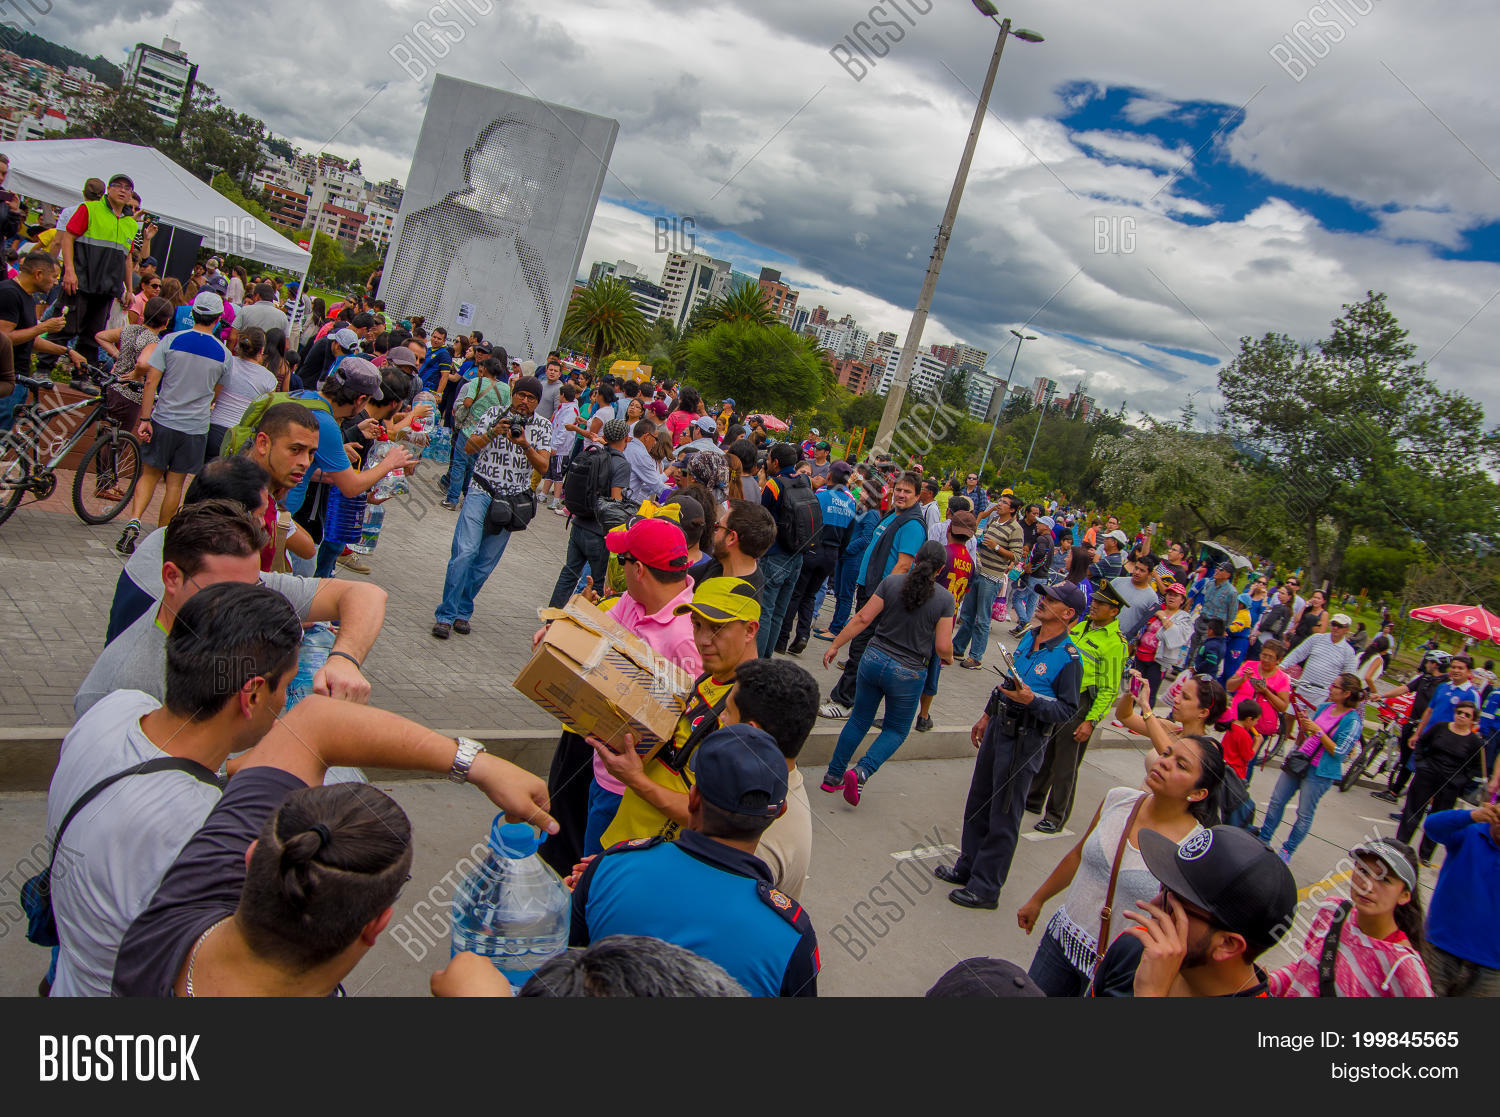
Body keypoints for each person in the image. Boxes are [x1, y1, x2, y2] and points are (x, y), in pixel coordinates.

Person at [108, 660, 553, 997]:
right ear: (376, 926)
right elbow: (317, 721)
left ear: (248, 859)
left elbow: (314, 722)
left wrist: (478, 765)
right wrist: (477, 764)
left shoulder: (173, 918)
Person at [568, 725, 819, 997]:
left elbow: (564, 966)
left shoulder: (608, 868)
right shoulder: (792, 937)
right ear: (780, 812)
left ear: (693, 798)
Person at [78, 497, 383, 717]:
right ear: (171, 577)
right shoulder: (125, 688)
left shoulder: (230, 578)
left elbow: (366, 595)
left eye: (253, 589)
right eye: (224, 593)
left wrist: (345, 659)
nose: (244, 607)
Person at [1017, 734, 1222, 995]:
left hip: (1120, 971)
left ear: (1198, 793)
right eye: (1167, 753)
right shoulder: (1119, 799)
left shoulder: (1195, 847)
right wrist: (1038, 899)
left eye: (1181, 765)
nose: (1165, 762)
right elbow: (1078, 855)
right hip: (1061, 942)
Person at [936, 583, 1084, 909]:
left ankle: (987, 887)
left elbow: (1067, 710)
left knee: (1004, 812)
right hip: (999, 727)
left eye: (1051, 600)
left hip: (1026, 738)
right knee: (978, 800)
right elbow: (1008, 680)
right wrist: (986, 715)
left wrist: (1032, 701)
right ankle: (968, 868)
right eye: (1044, 596)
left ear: (1068, 613)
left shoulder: (1069, 658)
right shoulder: (1031, 636)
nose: (1042, 601)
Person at [586, 578, 762, 851]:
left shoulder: (745, 710)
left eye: (717, 629)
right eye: (697, 625)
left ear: (750, 630)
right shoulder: (707, 678)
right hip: (623, 841)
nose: (703, 640)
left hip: (652, 860)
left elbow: (712, 816)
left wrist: (635, 779)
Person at [1089, 825, 1298, 997]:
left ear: (1227, 944)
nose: (1154, 904)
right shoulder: (1135, 948)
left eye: (1176, 904)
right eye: (1164, 887)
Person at [819, 541, 955, 802]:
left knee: (858, 718)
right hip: (909, 672)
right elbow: (942, 645)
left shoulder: (892, 583)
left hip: (872, 658)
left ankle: (832, 776)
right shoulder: (944, 599)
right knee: (895, 730)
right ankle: (861, 771)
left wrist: (836, 645)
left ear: (915, 559)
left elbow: (862, 618)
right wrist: (947, 657)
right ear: (940, 570)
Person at [433, 375, 551, 638]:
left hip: (511, 501)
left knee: (484, 562)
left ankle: (463, 610)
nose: (524, 401)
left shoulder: (543, 426)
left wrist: (525, 445)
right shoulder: (494, 413)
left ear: (537, 403)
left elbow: (543, 467)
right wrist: (493, 432)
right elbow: (468, 446)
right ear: (513, 393)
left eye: (531, 398)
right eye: (521, 395)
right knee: (465, 552)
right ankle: (445, 614)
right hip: (480, 490)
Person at [1265, 838, 1432, 997]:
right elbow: (1305, 969)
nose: (1367, 885)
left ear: (1404, 895)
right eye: (1363, 871)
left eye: (1385, 880)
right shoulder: (1332, 911)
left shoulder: (1403, 966)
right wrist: (1267, 982)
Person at [821, 472, 926, 719]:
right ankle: (848, 696)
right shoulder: (894, 515)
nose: (901, 494)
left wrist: (880, 598)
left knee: (861, 646)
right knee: (861, 646)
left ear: (918, 496)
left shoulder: (912, 525)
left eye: (907, 491)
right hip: (870, 588)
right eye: (898, 489)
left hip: (881, 596)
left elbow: (902, 566)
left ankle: (844, 702)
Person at [1025, 581, 1126, 833]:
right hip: (1062, 694)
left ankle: (1056, 815)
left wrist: (1091, 721)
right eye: (1095, 600)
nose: (1095, 605)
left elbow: (1110, 687)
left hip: (1082, 703)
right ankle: (1034, 798)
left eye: (1102, 604)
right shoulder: (1081, 626)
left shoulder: (1116, 642)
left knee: (1066, 764)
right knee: (1047, 751)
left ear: (1114, 611)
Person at [1257, 673, 1364, 862]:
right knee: (1277, 800)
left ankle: (1287, 850)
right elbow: (1311, 733)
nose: (1330, 687)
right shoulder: (1325, 707)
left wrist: (1317, 731)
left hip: (1320, 772)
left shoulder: (1353, 721)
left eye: (1335, 686)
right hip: (1300, 761)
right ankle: (1264, 838)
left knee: (1304, 813)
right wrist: (1306, 725)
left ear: (1347, 693)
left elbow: (1340, 753)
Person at [54, 172, 136, 367]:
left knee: (93, 334)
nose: (122, 190)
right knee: (65, 327)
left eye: (127, 188)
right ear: (108, 189)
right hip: (80, 282)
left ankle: (82, 374)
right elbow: (68, 237)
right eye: (117, 185)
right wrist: (69, 271)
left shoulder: (130, 223)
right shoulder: (89, 209)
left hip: (107, 289)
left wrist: (129, 289)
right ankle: (44, 366)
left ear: (131, 195)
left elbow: (127, 257)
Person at [546, 418, 630, 609]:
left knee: (568, 574)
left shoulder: (594, 454)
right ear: (626, 438)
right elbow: (615, 502)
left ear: (605, 436)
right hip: (599, 533)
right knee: (598, 583)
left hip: (578, 523)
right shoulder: (621, 464)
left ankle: (551, 619)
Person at [1420, 803, 1500, 996]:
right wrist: (1470, 816)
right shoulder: (1470, 832)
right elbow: (1432, 826)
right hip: (1440, 948)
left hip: (1492, 967)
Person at [1395, 697, 1485, 864]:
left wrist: (1461, 780)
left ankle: (1426, 854)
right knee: (1413, 809)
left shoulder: (1474, 742)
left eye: (1467, 715)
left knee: (1439, 817)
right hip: (1427, 774)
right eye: (1459, 712)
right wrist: (1421, 764)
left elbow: (1475, 768)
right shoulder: (1440, 728)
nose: (1462, 717)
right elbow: (1422, 743)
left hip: (1450, 783)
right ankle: (1400, 843)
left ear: (1473, 720)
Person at [782, 460, 857, 655]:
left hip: (813, 548)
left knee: (796, 594)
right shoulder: (851, 501)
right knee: (809, 595)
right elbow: (848, 535)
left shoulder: (821, 495)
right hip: (832, 555)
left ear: (829, 476)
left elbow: (807, 521)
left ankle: (782, 638)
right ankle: (803, 635)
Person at [757, 443, 817, 657]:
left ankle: (756, 662)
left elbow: (761, 514)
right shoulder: (805, 481)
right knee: (779, 614)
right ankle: (766, 660)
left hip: (774, 555)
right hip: (797, 555)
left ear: (775, 462)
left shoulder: (774, 484)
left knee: (764, 612)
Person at [954, 493, 1022, 670]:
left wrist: (997, 547)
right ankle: (958, 648)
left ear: (1013, 509)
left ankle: (976, 656)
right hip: (978, 571)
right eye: (1000, 501)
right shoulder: (993, 521)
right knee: (967, 614)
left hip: (992, 577)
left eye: (1004, 503)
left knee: (982, 619)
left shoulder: (1016, 529)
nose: (999, 504)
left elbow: (1016, 555)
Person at [1374, 652, 1451, 804]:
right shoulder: (1425, 678)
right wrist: (1383, 695)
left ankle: (1395, 792)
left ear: (1435, 664)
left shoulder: (1445, 685)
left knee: (1413, 761)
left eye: (1428, 661)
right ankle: (1395, 789)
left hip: (1428, 728)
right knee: (1405, 758)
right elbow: (1405, 688)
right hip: (1412, 722)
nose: (1426, 664)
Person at [0, 248, 83, 380]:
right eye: (54, 277)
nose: (56, 282)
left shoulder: (27, 296)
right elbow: (4, 339)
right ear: (38, 274)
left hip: (20, 377)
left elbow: (30, 341)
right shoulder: (9, 293)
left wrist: (67, 351)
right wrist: (43, 327)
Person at [205, 326, 277, 459]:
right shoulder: (269, 378)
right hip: (240, 436)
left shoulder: (228, 363)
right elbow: (266, 412)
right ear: (261, 350)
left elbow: (212, 395)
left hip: (215, 428)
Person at [687, 498, 774, 599]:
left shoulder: (738, 597)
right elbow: (688, 576)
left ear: (731, 538)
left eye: (718, 526)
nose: (714, 532)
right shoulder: (724, 562)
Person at [1127, 580, 1192, 707]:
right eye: (1169, 594)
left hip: (1158, 660)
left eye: (1175, 595)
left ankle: (1144, 720)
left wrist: (1163, 617)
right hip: (1140, 655)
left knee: (1149, 691)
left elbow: (1178, 636)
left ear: (1182, 600)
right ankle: (1126, 715)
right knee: (1133, 687)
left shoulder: (1183, 618)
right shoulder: (1156, 608)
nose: (1171, 597)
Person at [1224, 640, 1292, 752]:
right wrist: (1242, 679)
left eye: (1270, 657)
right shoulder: (1249, 665)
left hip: (1259, 727)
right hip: (1238, 721)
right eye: (1264, 655)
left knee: (1248, 759)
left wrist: (1266, 692)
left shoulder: (1282, 678)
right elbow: (1229, 686)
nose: (1265, 660)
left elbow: (1283, 706)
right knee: (1229, 753)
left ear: (1278, 660)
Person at [1281, 613, 1361, 706]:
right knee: (1289, 714)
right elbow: (1298, 653)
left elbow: (1349, 675)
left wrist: (1336, 695)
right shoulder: (1316, 638)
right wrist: (1282, 666)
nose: (1335, 628)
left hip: (1323, 694)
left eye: (1339, 626)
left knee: (1312, 720)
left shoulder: (1348, 651)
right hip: (1302, 686)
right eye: (1334, 624)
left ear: (1346, 630)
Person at [1007, 505, 1053, 635]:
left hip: (1036, 575)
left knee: (1017, 597)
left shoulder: (1042, 539)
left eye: (1040, 523)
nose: (1037, 525)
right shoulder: (1050, 540)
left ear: (1046, 527)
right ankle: (1024, 628)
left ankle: (1024, 622)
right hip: (1043, 575)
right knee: (1032, 602)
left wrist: (1030, 565)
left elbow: (1040, 553)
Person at [1110, 555, 1161, 644]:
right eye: (1136, 568)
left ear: (1149, 574)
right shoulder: (1118, 582)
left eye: (1142, 571)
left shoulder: (1152, 597)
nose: (1137, 572)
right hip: (1102, 629)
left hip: (1122, 640)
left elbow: (1145, 623)